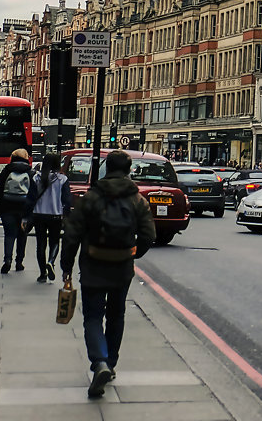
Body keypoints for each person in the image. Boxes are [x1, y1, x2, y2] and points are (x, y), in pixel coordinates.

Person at [60, 150, 156, 398]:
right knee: (116, 314)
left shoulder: (91, 197)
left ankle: (99, 362)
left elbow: (72, 234)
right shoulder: (138, 200)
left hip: (93, 264)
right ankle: (111, 363)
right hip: (122, 266)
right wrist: (133, 253)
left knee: (93, 316)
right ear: (129, 170)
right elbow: (148, 235)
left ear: (105, 168)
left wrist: (66, 265)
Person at [30, 153, 73, 284]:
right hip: (55, 215)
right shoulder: (62, 179)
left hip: (38, 214)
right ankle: (51, 261)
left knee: (40, 244)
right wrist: (66, 216)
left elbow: (30, 197)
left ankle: (42, 273)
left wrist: (26, 216)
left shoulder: (36, 177)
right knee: (54, 242)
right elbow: (67, 200)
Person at [0, 149, 35, 274]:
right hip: (24, 208)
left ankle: (7, 260)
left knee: (9, 234)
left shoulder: (7, 170)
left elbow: (0, 189)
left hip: (7, 207)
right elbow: (33, 193)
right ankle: (19, 262)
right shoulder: (31, 172)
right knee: (22, 235)